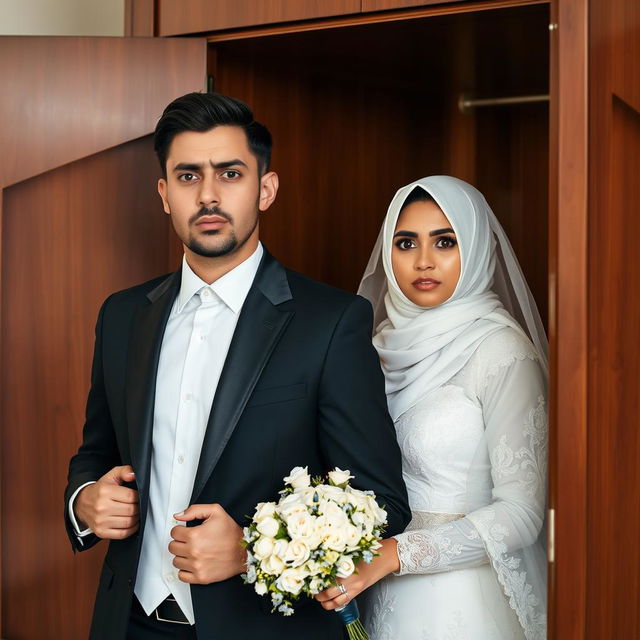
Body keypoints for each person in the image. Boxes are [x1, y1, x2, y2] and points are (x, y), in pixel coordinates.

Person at [64, 92, 410, 640]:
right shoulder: (123, 315)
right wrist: (84, 500)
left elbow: (382, 504)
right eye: (187, 176)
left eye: (229, 173)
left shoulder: (331, 321)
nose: (207, 195)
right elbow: (96, 453)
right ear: (163, 195)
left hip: (260, 626)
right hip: (127, 624)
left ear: (265, 189)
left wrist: (253, 550)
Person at [315, 176, 548, 640]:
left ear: (477, 247)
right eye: (406, 243)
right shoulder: (367, 348)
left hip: (461, 601)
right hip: (367, 592)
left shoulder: (501, 351)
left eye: (445, 241)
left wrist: (397, 555)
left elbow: (523, 512)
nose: (424, 261)